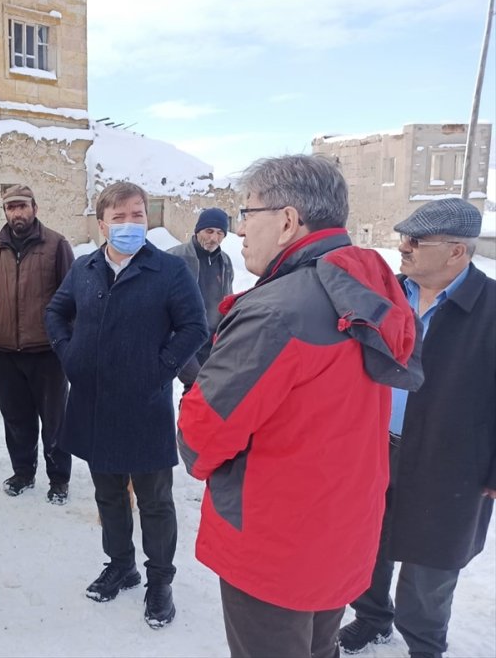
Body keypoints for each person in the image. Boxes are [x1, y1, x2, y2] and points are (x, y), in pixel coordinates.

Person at [177, 155, 423, 658]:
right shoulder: (367, 285)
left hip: (276, 541)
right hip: (341, 526)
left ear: (288, 220)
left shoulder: (278, 310)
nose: (239, 229)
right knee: (319, 645)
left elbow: (203, 436)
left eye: (247, 213)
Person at [46, 181, 208, 628]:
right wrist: (68, 354)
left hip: (144, 406)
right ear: (102, 224)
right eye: (119, 217)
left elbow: (194, 327)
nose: (130, 224)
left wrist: (160, 370)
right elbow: (56, 313)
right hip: (94, 404)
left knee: (154, 501)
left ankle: (160, 580)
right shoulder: (84, 268)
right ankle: (121, 565)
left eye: (137, 215)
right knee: (109, 493)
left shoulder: (169, 270)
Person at [339, 198, 495, 658]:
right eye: (404, 237)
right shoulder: (387, 296)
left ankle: (425, 647)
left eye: (416, 240)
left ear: (456, 252)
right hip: (374, 448)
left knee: (431, 565)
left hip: (453, 463)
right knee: (367, 542)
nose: (403, 247)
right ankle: (372, 618)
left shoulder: (491, 309)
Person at [0, 184, 74, 503]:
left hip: (47, 353)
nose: (17, 212)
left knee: (55, 422)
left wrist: (64, 342)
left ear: (35, 208)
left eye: (22, 206)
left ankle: (59, 479)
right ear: (5, 212)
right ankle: (23, 473)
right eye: (11, 207)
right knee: (17, 420)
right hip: (5, 353)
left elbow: (71, 298)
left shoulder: (56, 244)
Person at [167, 208, 234, 391]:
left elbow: (228, 299)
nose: (214, 238)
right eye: (209, 231)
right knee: (197, 386)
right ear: (197, 230)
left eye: (220, 233)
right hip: (182, 340)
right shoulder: (174, 258)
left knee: (204, 394)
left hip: (212, 343)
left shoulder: (225, 262)